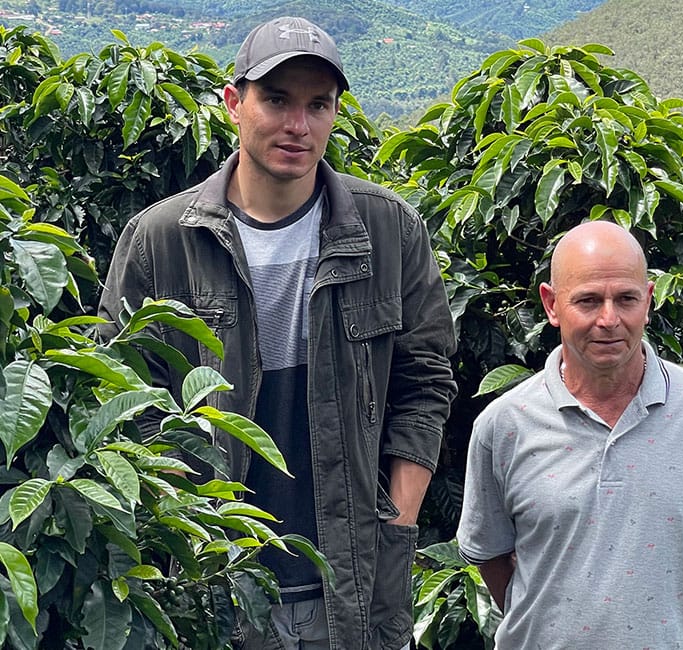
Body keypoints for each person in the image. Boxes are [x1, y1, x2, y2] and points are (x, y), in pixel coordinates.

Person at [98, 16, 457, 650]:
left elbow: (423, 379)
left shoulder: (389, 230)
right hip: (212, 585)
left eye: (318, 105)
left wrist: (398, 517)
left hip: (352, 582)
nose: (298, 125)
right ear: (234, 103)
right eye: (277, 99)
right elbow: (120, 400)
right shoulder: (161, 241)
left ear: (336, 113)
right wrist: (183, 530)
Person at [456, 220, 683, 649]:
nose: (609, 319)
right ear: (551, 305)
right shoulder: (504, 425)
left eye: (626, 299)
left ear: (648, 301)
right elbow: (490, 551)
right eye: (588, 301)